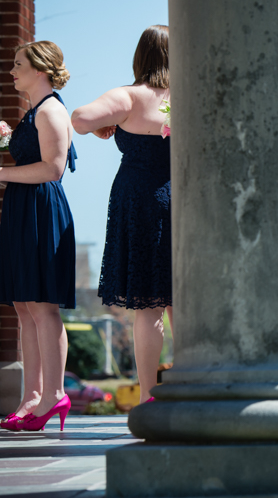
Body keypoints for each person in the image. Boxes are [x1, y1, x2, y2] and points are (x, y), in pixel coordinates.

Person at [71, 25, 172, 404]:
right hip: (181, 197)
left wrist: (103, 126)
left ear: (141, 56)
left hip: (138, 201)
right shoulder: (185, 96)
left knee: (148, 308)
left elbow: (80, 118)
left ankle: (147, 398)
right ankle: (196, 388)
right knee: (184, 303)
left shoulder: (128, 96)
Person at [0, 41, 76, 432]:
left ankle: (53, 396)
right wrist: (9, 139)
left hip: (41, 212)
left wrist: (2, 172)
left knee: (42, 306)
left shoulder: (50, 110)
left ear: (40, 70)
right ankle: (32, 397)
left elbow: (52, 169)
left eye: (17, 64)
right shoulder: (35, 112)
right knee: (24, 306)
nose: (11, 70)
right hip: (22, 210)